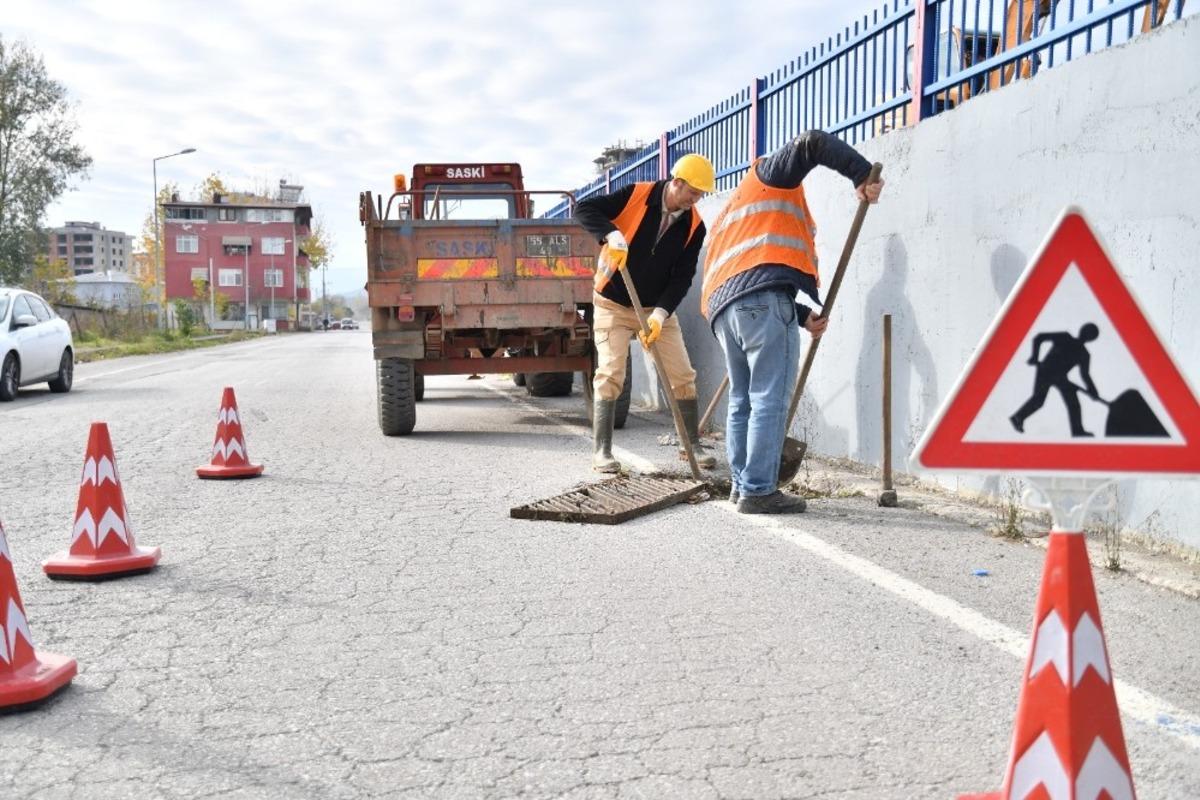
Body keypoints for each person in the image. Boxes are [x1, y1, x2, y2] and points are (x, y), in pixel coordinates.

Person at [700, 131, 883, 514]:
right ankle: (759, 489)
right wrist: (862, 174)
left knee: (742, 400)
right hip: (761, 305)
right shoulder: (769, 176)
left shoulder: (732, 213)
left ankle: (741, 484)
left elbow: (750, 270)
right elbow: (812, 142)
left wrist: (800, 315)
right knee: (769, 397)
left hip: (724, 312)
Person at [575, 154, 718, 473]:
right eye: (693, 192)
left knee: (682, 374)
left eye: (701, 195)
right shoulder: (635, 194)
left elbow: (683, 277)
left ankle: (690, 444)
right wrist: (610, 233)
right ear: (676, 183)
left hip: (655, 308)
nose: (696, 200)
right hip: (612, 302)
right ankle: (602, 452)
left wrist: (660, 315)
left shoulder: (695, 227)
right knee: (611, 373)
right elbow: (583, 209)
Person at [1010, 323, 1101, 437]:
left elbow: (1085, 375)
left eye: (1090, 335)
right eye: (1087, 332)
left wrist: (1093, 391)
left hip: (1061, 377)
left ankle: (1077, 431)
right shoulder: (1065, 337)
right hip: (1046, 371)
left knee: (1073, 403)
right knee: (1038, 400)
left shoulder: (1084, 354)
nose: (1087, 335)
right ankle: (1017, 417)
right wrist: (1035, 356)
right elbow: (1039, 337)